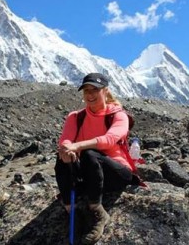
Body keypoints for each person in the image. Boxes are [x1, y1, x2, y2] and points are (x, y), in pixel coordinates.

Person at [55, 73, 137, 244]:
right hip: (89, 173)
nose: (90, 95)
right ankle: (72, 211)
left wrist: (78, 146)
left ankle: (97, 211)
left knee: (89, 153)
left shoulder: (118, 115)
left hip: (115, 173)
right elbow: (66, 139)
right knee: (62, 158)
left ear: (105, 91)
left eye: (95, 90)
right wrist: (67, 150)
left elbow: (109, 140)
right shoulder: (76, 117)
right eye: (86, 91)